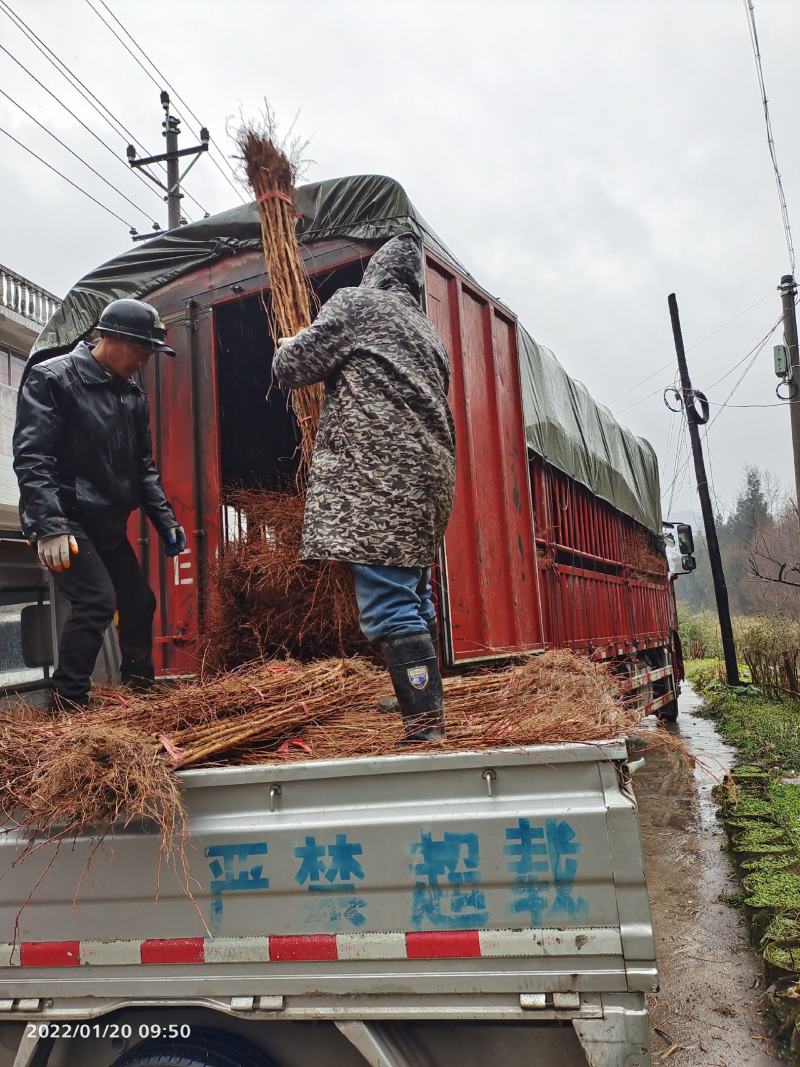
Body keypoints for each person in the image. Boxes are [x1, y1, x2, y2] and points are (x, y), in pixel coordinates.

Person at [273, 233, 456, 743]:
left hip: (378, 480)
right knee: (413, 591)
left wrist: (288, 345)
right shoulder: (428, 333)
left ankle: (424, 722)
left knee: (388, 603)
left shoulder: (356, 304)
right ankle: (417, 695)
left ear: (374, 273)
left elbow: (294, 368)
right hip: (428, 479)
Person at [13, 298, 185, 709]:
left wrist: (167, 522)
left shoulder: (131, 393)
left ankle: (140, 692)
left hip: (106, 522)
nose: (145, 359)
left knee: (140, 601)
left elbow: (143, 466)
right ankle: (68, 704)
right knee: (96, 601)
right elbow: (33, 457)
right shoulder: (53, 378)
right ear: (111, 338)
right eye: (142, 349)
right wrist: (49, 525)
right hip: (67, 518)